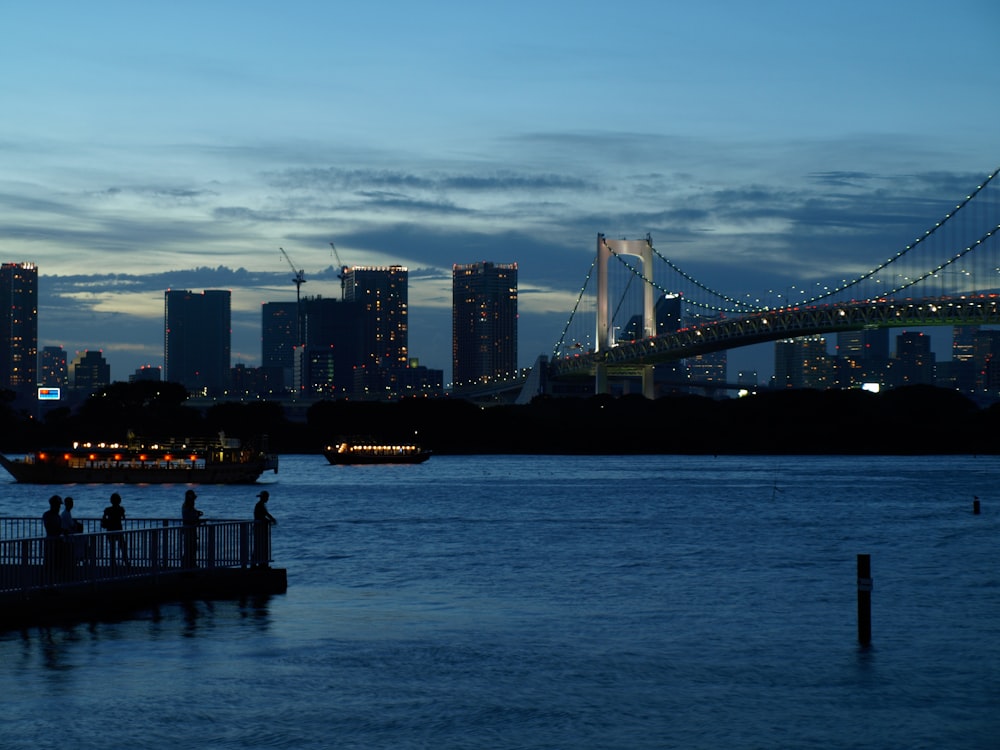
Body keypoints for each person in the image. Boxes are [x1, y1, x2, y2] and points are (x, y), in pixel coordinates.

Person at [102, 492, 129, 567]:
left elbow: (103, 518)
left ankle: (113, 563)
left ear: (111, 501)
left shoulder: (107, 509)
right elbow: (123, 517)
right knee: (122, 546)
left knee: (112, 548)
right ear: (119, 501)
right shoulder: (121, 509)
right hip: (118, 529)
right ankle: (126, 561)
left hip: (110, 530)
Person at [252, 490, 276, 568]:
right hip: (259, 528)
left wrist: (270, 519)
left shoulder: (261, 505)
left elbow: (265, 515)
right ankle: (255, 563)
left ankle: (261, 563)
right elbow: (263, 515)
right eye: (267, 497)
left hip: (260, 528)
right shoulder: (259, 505)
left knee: (260, 546)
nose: (268, 499)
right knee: (258, 546)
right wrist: (271, 519)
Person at [42, 495, 65, 577]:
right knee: (49, 563)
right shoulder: (47, 515)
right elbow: (50, 528)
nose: (59, 507)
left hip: (58, 542)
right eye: (58, 505)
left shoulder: (58, 516)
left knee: (57, 563)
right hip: (51, 542)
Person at [181, 488, 204, 568]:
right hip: (189, 529)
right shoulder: (188, 506)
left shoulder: (187, 506)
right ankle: (188, 565)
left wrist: (197, 515)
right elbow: (190, 518)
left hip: (190, 529)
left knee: (192, 548)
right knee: (190, 548)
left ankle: (189, 564)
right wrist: (197, 518)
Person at [60, 496, 86, 564]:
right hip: (68, 536)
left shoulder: (66, 513)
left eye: (72, 503)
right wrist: (76, 524)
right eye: (70, 503)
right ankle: (79, 558)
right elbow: (71, 525)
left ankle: (79, 558)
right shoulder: (66, 514)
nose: (72, 505)